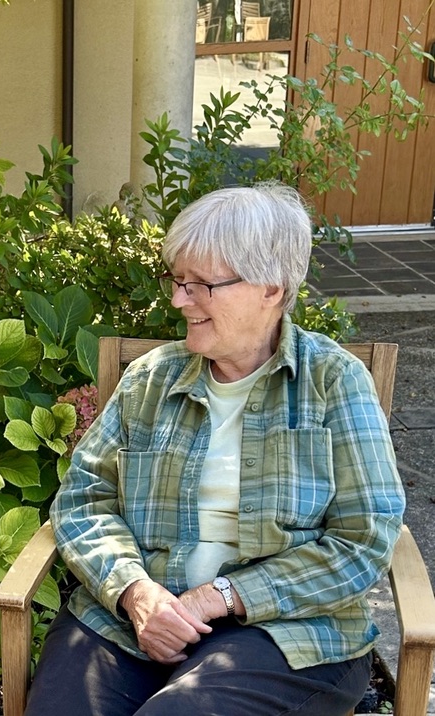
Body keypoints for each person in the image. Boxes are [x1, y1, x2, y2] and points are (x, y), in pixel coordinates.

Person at [26, 184, 404, 715]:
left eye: (201, 284)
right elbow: (84, 501)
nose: (179, 300)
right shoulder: (151, 380)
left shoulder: (334, 382)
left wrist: (218, 596)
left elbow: (363, 540)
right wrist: (136, 592)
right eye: (177, 280)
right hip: (132, 621)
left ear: (270, 287)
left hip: (284, 634)